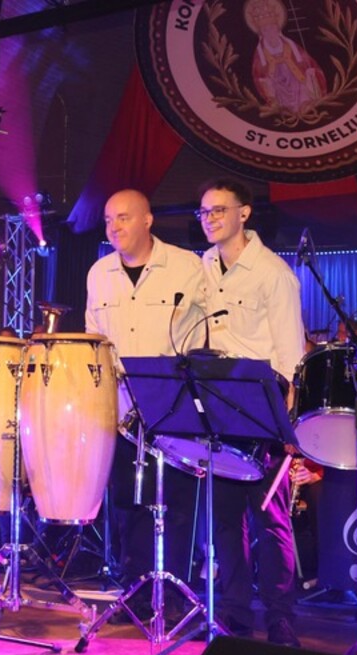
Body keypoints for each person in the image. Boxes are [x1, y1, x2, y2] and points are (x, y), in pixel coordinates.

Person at [85, 189, 206, 621]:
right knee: (128, 502)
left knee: (175, 505)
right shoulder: (99, 272)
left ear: (148, 220)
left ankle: (173, 596)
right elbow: (95, 339)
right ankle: (134, 593)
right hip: (120, 409)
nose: (113, 227)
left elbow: (202, 333)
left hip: (173, 404)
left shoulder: (186, 266)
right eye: (107, 220)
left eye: (123, 218)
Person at [197, 178, 306, 647]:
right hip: (217, 403)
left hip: (263, 403)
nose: (210, 219)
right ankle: (235, 613)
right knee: (226, 518)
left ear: (244, 213)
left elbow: (291, 355)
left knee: (270, 517)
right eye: (204, 212)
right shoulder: (203, 265)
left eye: (219, 210)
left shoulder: (273, 273)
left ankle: (280, 616)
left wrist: (285, 425)